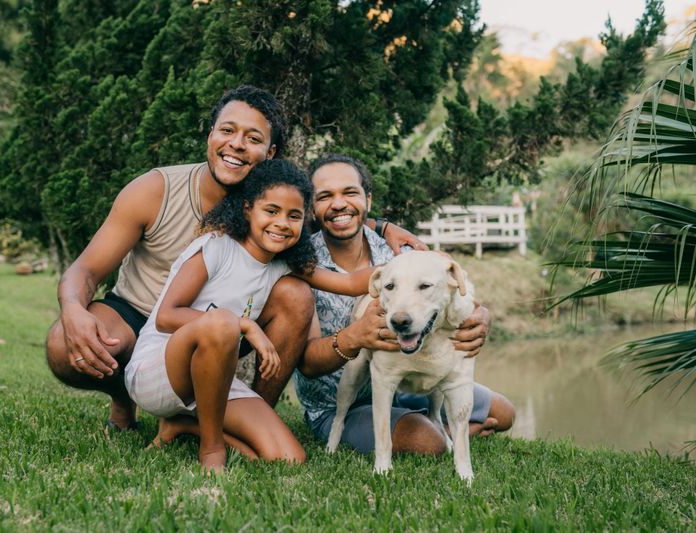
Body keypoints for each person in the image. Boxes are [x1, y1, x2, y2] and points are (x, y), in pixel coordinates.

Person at [45, 85, 424, 433]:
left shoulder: (273, 210)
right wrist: (73, 309)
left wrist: (385, 227)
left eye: (253, 138)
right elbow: (86, 269)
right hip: (142, 312)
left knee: (295, 294)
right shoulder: (154, 190)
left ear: (269, 153)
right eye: (227, 131)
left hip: (229, 323)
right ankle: (123, 400)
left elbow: (335, 214)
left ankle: (251, 417)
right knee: (64, 344)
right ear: (210, 135)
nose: (237, 145)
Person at [125, 160, 372, 472]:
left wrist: (419, 261)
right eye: (271, 211)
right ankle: (211, 448)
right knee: (222, 323)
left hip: (214, 381)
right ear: (247, 210)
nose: (282, 223)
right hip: (157, 373)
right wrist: (244, 324)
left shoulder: (282, 264)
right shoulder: (217, 247)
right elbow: (166, 316)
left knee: (289, 459)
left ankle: (184, 425)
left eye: (294, 216)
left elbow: (350, 283)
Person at [295, 154, 516, 456]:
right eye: (324, 196)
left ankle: (442, 428)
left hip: (404, 383)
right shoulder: (302, 264)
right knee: (427, 443)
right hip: (336, 404)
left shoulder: (400, 252)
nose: (338, 204)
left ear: (367, 199)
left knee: (504, 412)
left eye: (350, 193)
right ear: (312, 209)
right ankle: (440, 435)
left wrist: (480, 315)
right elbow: (306, 364)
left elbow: (447, 289)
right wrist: (355, 337)